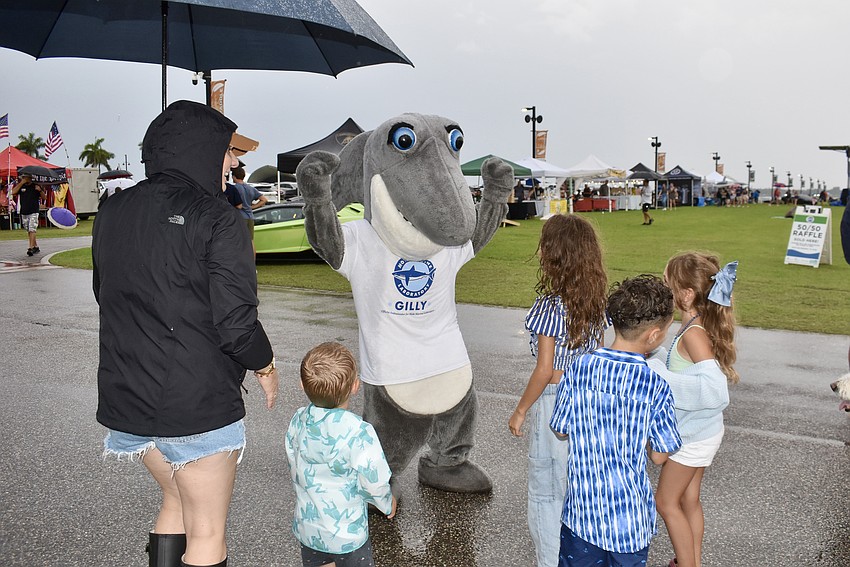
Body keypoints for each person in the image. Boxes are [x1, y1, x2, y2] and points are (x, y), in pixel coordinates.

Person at [92, 100, 279, 567]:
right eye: (228, 151)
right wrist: (266, 364)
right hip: (196, 406)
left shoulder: (112, 211)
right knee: (208, 531)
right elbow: (237, 327)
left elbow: (104, 291)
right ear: (201, 149)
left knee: (176, 502)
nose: (235, 162)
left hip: (127, 397)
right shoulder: (219, 219)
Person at [550, 274, 681, 567]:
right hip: (629, 524)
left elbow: (560, 429)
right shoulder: (655, 384)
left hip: (582, 517)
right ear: (653, 336)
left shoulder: (580, 367)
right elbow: (660, 455)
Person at [508, 214, 608, 567]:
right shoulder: (596, 303)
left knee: (548, 491)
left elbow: (545, 370)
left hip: (555, 403)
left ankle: (551, 561)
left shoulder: (549, 307)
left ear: (554, 256)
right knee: (580, 487)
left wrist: (521, 409)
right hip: (590, 401)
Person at [649, 252, 738, 567]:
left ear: (686, 294)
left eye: (667, 284)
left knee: (665, 501)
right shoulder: (695, 325)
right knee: (688, 500)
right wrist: (656, 358)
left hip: (694, 436)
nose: (664, 289)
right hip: (703, 430)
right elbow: (685, 370)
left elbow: (714, 390)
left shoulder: (694, 335)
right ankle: (693, 561)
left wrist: (659, 375)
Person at [285, 342, 396, 567]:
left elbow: (293, 458)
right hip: (348, 534)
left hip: (310, 528)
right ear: (355, 386)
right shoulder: (358, 432)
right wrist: (386, 502)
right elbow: (373, 479)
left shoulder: (298, 419)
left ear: (301, 385)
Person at [232, 165, 267, 248]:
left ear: (234, 176)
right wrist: (253, 207)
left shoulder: (235, 188)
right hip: (250, 216)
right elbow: (264, 199)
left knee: (239, 241)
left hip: (239, 217)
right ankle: (252, 260)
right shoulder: (251, 188)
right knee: (250, 241)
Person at [10, 173, 45, 255]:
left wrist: (40, 190)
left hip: (34, 211)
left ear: (30, 178)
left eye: (25, 177)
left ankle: (31, 247)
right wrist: (21, 183)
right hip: (24, 211)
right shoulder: (21, 186)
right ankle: (35, 246)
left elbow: (44, 197)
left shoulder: (35, 186)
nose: (24, 179)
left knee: (32, 229)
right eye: (23, 178)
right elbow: (13, 192)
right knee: (28, 229)